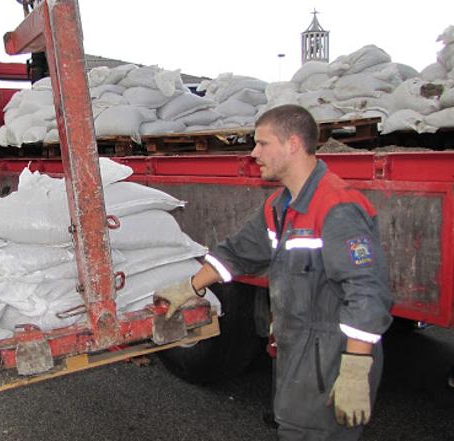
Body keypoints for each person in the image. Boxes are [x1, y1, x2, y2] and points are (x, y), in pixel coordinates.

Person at [155, 104, 393, 441]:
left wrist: (355, 368)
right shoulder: (280, 207)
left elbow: (368, 293)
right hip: (298, 350)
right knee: (292, 426)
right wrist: (190, 287)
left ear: (292, 144)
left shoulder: (336, 208)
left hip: (330, 358)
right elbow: (238, 252)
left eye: (262, 144)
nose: (254, 153)